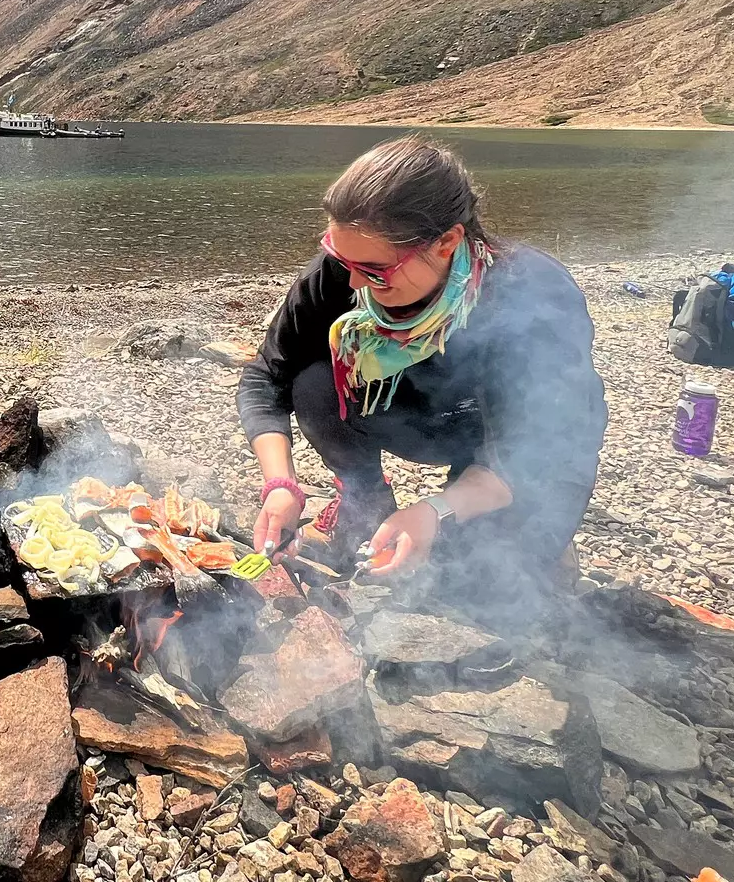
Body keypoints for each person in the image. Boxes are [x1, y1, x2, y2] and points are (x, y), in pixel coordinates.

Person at [239, 136, 608, 625]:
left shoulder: (531, 295)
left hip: (521, 447)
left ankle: (531, 537)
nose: (352, 283)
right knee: (313, 380)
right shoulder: (345, 271)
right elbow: (268, 376)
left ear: (447, 242)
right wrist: (281, 484)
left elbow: (537, 448)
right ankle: (364, 496)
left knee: (481, 585)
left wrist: (437, 509)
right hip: (417, 416)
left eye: (373, 270)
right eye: (342, 260)